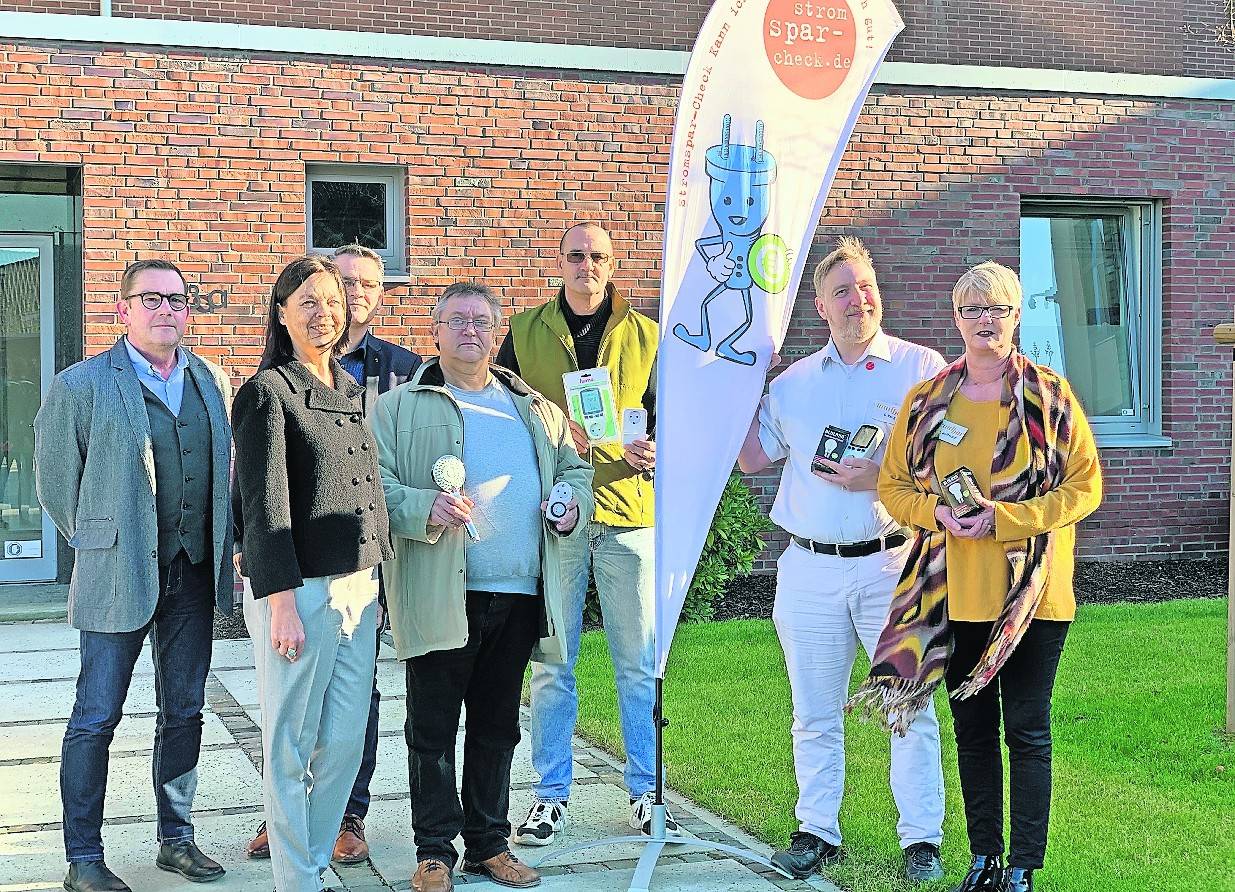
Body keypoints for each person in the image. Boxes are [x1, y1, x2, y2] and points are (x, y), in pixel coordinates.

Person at [851, 261, 1102, 892]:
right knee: (973, 730)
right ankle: (985, 856)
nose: (984, 320)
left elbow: (1085, 488)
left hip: (1033, 596)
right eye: (972, 309)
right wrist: (934, 512)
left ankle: (1022, 866)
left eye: (997, 308)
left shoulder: (1050, 396)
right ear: (956, 318)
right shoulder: (931, 399)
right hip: (956, 592)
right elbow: (894, 487)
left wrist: (1006, 518)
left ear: (1016, 316)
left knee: (1027, 728)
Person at [736, 237, 947, 883]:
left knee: (905, 706)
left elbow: (951, 459)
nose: (858, 299)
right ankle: (815, 832)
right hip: (808, 570)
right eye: (842, 291)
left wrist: (881, 477)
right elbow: (749, 457)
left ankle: (921, 840)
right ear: (819, 308)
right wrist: (737, 385)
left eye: (864, 286)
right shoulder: (793, 383)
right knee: (813, 712)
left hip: (891, 564)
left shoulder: (922, 367)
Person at [373, 282, 594, 892]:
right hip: (444, 592)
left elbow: (575, 468)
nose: (470, 329)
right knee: (434, 725)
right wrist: (427, 508)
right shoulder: (398, 407)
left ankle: (490, 844)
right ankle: (435, 850)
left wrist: (571, 504)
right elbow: (378, 487)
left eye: (482, 320)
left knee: (498, 724)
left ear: (498, 334)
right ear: (435, 330)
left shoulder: (536, 409)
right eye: (457, 319)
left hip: (521, 592)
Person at [34, 259, 235, 892]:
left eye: (178, 299)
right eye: (151, 299)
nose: (167, 310)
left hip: (194, 576)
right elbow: (57, 488)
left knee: (185, 710)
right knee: (96, 715)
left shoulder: (210, 379)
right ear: (122, 311)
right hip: (116, 574)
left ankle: (176, 838)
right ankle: (83, 856)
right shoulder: (83, 385)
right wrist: (104, 543)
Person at [244, 243, 421, 865]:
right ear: (282, 312)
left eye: (333, 301)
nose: (324, 313)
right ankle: (297, 879)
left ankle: (313, 860)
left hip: (358, 587)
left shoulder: (347, 388)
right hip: (298, 590)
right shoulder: (268, 392)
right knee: (290, 743)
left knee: (345, 740)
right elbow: (264, 511)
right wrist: (282, 605)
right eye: (308, 302)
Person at [495, 222, 671, 846]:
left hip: (629, 511)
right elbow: (503, 415)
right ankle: (549, 796)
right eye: (576, 256)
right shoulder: (522, 333)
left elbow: (673, 417)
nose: (586, 266)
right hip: (558, 513)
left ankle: (647, 791)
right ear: (559, 261)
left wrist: (658, 449)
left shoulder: (647, 334)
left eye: (597, 256)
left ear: (612, 261)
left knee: (638, 663)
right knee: (552, 661)